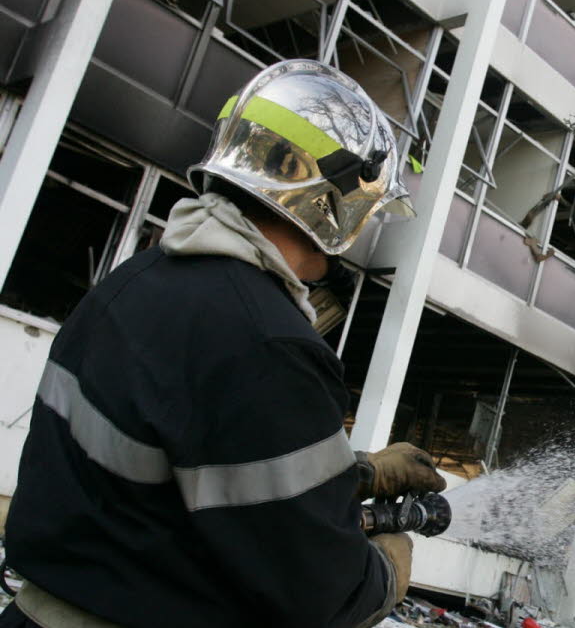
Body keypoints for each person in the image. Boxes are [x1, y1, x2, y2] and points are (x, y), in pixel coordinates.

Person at [0, 59, 445, 628]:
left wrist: (350, 477)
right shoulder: (267, 344)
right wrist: (385, 571)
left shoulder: (131, 287)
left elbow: (171, 470)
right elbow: (319, 593)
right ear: (335, 201)